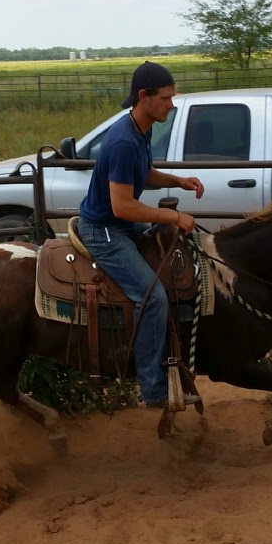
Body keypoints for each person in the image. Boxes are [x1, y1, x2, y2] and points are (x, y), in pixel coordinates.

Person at [78, 61, 205, 408]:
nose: (171, 105)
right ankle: (152, 389)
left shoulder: (140, 129)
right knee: (153, 298)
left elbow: (143, 173)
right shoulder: (123, 141)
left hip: (118, 224)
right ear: (144, 96)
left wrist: (178, 180)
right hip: (104, 231)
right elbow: (122, 206)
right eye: (166, 98)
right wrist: (174, 215)